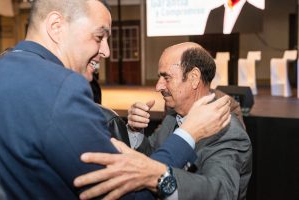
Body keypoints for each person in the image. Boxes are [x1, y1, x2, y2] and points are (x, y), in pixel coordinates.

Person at [0, 0, 231, 199]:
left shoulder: (6, 68)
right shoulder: (63, 88)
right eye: (99, 36)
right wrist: (188, 134)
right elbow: (128, 194)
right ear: (56, 27)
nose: (107, 51)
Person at [74, 42, 252, 200]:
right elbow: (153, 155)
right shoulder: (172, 117)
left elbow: (222, 192)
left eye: (166, 77)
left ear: (194, 77)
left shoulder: (227, 130)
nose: (158, 86)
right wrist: (135, 132)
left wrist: (160, 177)